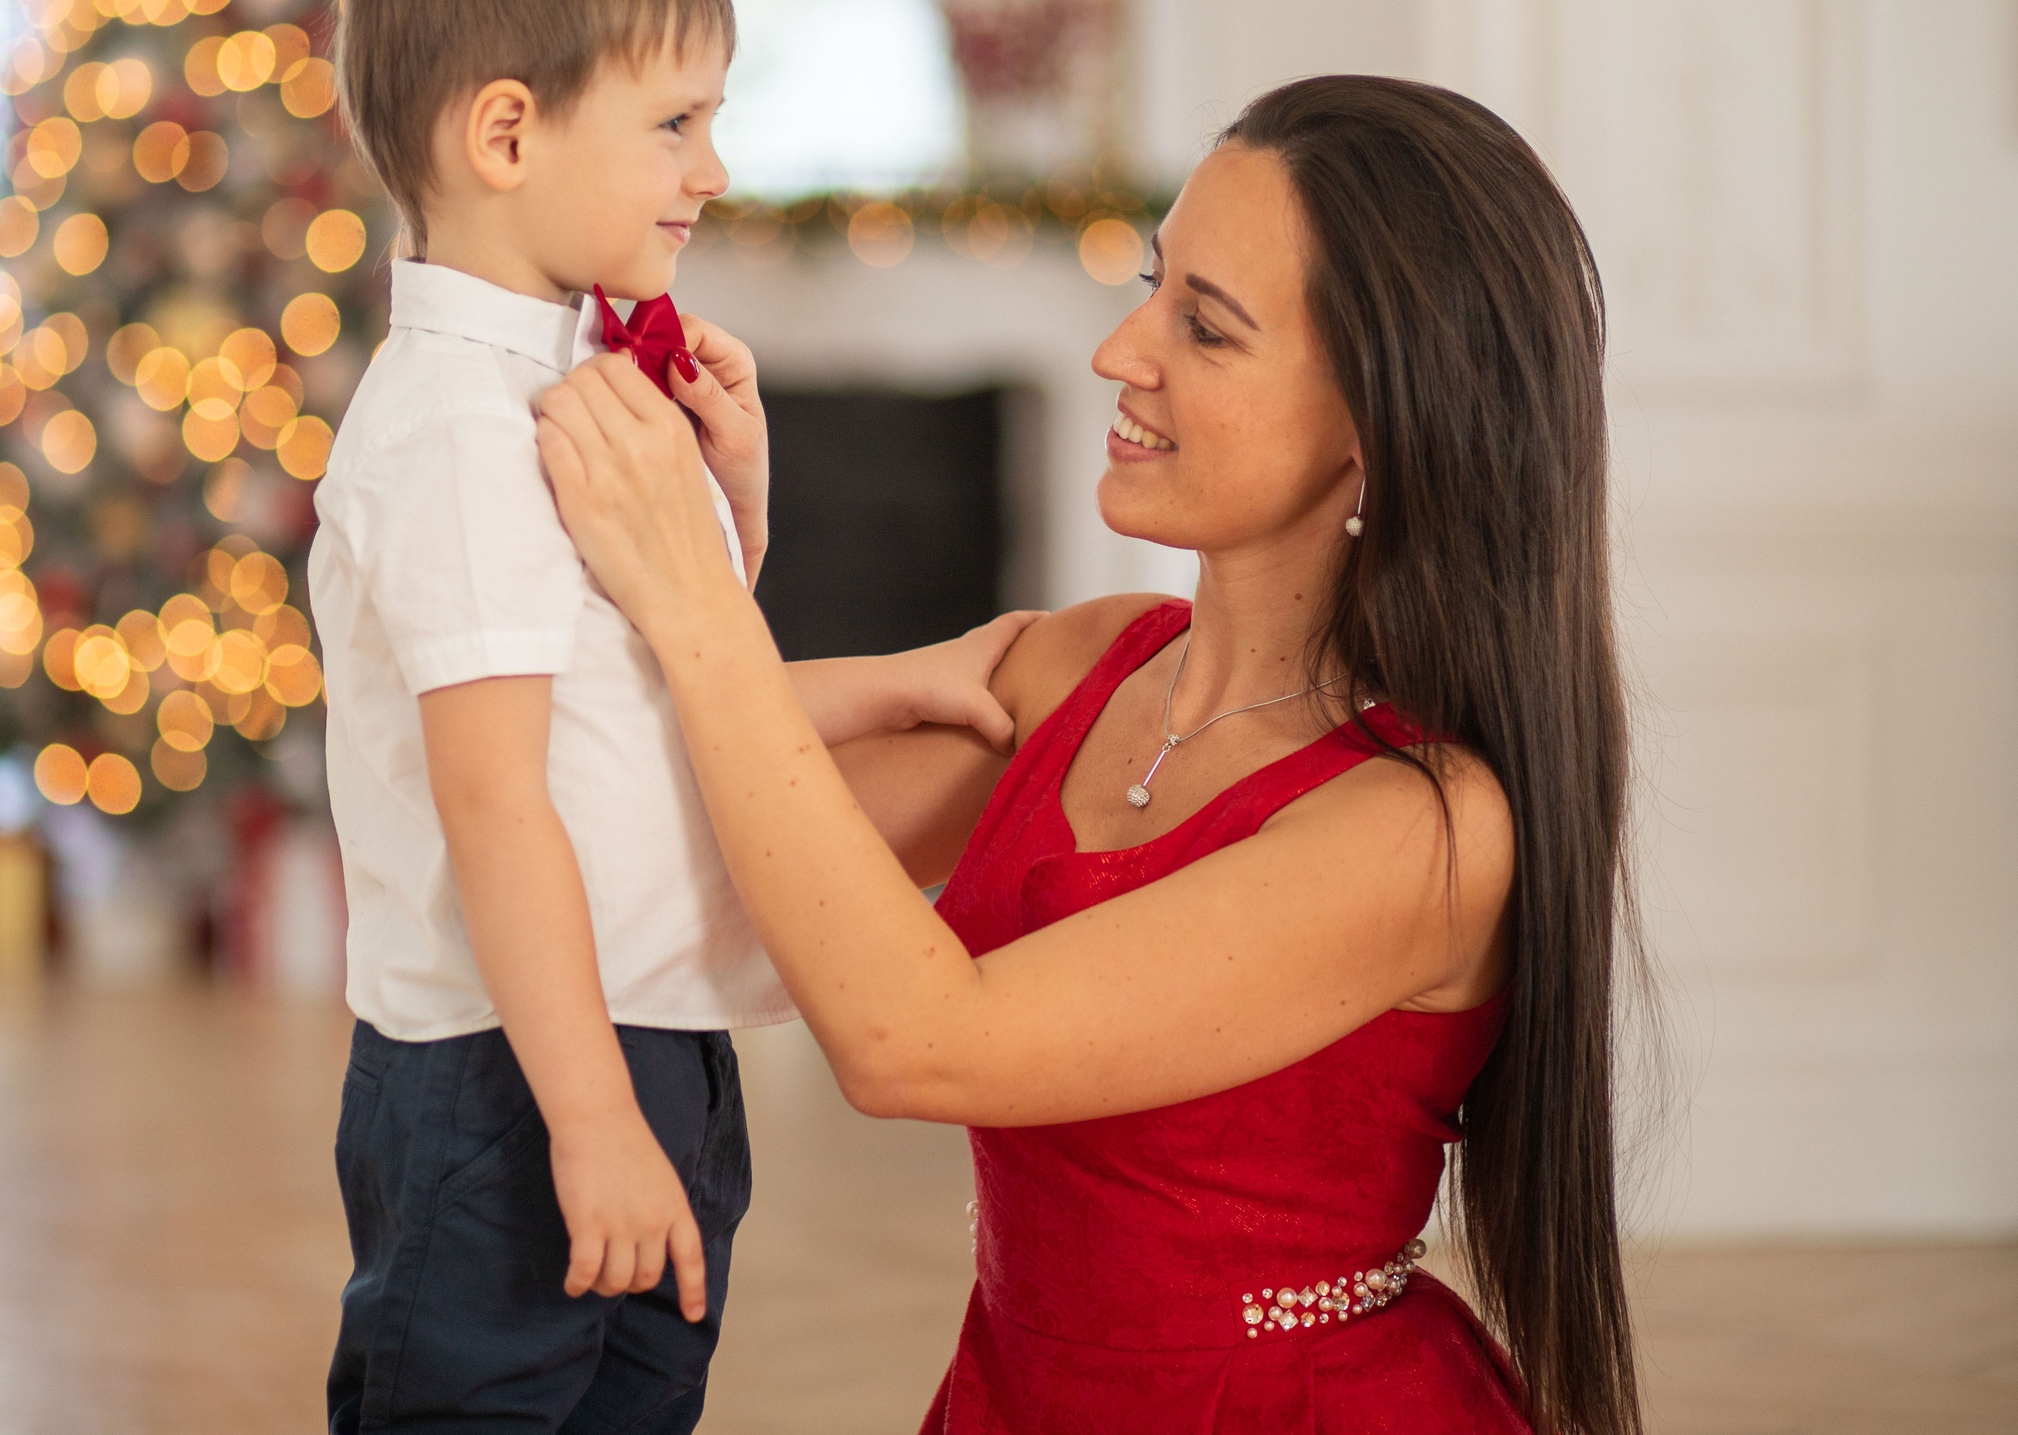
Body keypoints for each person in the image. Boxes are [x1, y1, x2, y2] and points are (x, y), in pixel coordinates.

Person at [533, 76, 1646, 1433]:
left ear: (1376, 426)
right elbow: (676, 840)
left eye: (1206, 326)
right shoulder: (1090, 661)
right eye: (1151, 281)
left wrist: (699, 608)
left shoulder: (1425, 827)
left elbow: (912, 1039)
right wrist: (723, 539)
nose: (1123, 350)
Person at [309, 0, 1029, 1434]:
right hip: (515, 1071)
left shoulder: (581, 381)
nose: (714, 166)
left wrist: (847, 621)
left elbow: (644, 695)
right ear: (506, 133)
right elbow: (499, 802)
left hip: (652, 1036)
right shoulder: (456, 431)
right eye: (676, 123)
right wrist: (590, 1117)